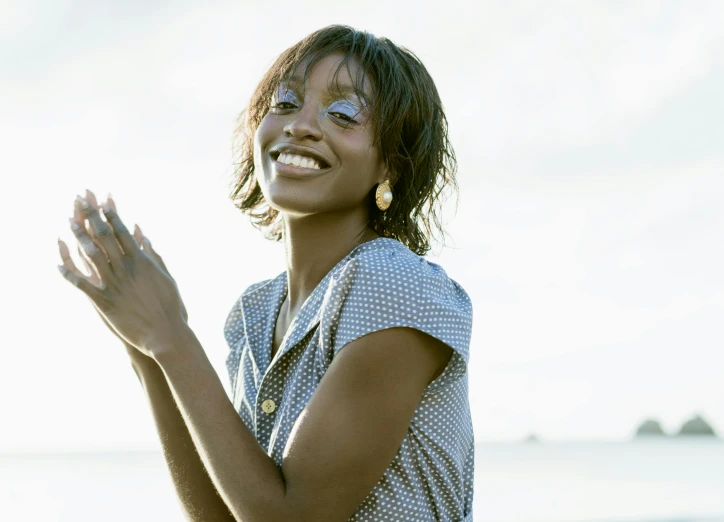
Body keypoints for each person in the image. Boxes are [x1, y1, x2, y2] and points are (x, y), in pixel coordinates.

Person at [61, 23, 473, 522]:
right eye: (285, 102)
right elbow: (227, 513)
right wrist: (145, 348)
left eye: (343, 113)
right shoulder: (258, 314)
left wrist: (171, 336)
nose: (300, 124)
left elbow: (290, 517)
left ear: (392, 164)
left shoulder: (397, 287)